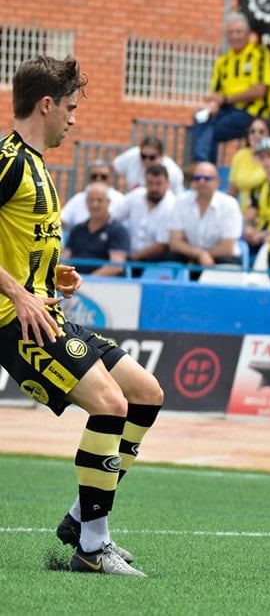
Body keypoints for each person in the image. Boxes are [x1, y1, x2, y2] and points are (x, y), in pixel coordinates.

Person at [0, 55, 162, 577]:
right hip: (14, 319)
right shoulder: (6, 161)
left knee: (146, 393)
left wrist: (50, 272)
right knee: (110, 403)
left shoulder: (39, 164)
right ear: (45, 105)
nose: (73, 118)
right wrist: (20, 294)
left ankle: (79, 518)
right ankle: (93, 545)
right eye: (69, 107)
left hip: (47, 310)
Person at [191, 12, 270, 164]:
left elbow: (259, 90)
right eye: (231, 32)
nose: (235, 36)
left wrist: (225, 99)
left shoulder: (260, 54)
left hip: (254, 113)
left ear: (248, 34)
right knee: (201, 117)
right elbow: (216, 93)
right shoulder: (222, 61)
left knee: (211, 130)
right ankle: (204, 168)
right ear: (226, 35)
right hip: (227, 112)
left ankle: (203, 168)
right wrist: (212, 104)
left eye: (239, 32)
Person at [167, 162, 243, 272]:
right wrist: (200, 254)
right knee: (171, 258)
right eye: (197, 178)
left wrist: (205, 255)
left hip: (221, 256)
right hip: (191, 254)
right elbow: (175, 243)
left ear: (217, 182)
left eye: (207, 178)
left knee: (227, 263)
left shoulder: (229, 205)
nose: (201, 182)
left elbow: (228, 246)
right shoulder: (180, 201)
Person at [111, 163, 177, 271]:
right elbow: (112, 217)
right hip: (128, 256)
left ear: (167, 184)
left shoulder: (172, 205)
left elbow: (162, 245)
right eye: (150, 183)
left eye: (158, 184)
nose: (154, 188)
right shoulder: (135, 196)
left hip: (155, 260)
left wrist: (132, 258)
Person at [62, 183, 130, 276]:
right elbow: (64, 260)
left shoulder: (118, 230)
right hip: (74, 283)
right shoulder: (77, 230)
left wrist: (87, 281)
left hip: (107, 286)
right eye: (91, 200)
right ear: (86, 203)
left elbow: (116, 266)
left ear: (108, 202)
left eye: (99, 200)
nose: (95, 204)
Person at [227, 117, 270, 209]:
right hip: (244, 216)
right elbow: (232, 192)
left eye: (261, 132)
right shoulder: (240, 156)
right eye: (252, 131)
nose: (256, 135)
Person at [60, 162, 125, 231]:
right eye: (94, 176)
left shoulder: (119, 199)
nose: (98, 179)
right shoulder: (78, 198)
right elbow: (62, 220)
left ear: (110, 179)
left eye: (103, 176)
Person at [112, 136, 185, 196]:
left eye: (152, 157)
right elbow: (113, 168)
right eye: (143, 156)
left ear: (161, 156)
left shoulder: (173, 172)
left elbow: (178, 197)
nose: (147, 160)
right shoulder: (133, 155)